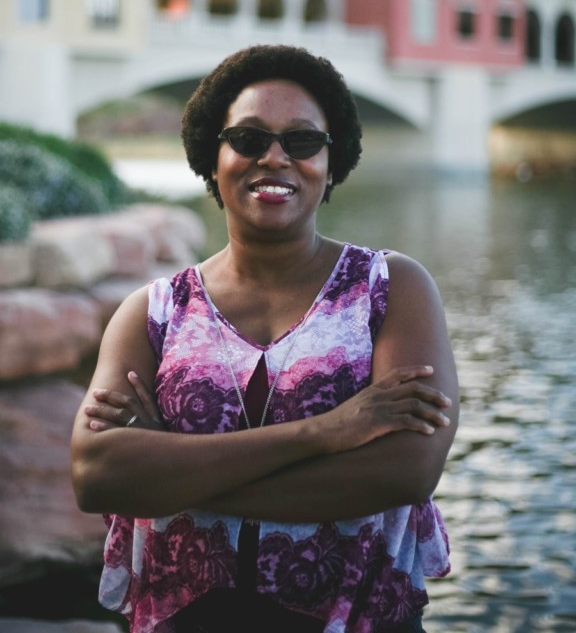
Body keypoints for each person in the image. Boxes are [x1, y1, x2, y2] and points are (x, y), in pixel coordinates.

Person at [71, 43, 459, 633]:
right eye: (249, 139)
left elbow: (405, 470)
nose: (274, 157)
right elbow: (98, 475)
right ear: (214, 154)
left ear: (332, 161)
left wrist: (171, 479)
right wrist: (327, 432)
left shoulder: (390, 288)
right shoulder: (152, 312)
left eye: (301, 141)